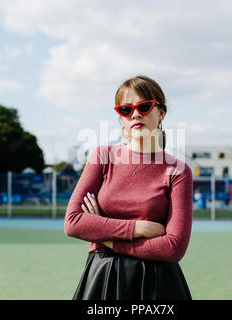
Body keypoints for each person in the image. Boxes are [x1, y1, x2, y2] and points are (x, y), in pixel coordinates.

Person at [64, 75, 193, 300]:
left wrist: (106, 238)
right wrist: (138, 228)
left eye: (144, 106)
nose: (135, 114)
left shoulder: (178, 171)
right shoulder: (101, 157)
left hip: (158, 284)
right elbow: (73, 223)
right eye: (126, 109)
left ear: (161, 113)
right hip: (103, 277)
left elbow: (173, 247)